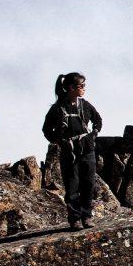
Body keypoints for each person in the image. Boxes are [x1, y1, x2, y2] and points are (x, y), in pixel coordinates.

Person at [42, 72, 102, 230]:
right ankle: (75, 219)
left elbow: (98, 119)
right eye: (81, 86)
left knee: (88, 184)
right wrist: (60, 141)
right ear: (71, 87)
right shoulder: (58, 109)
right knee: (72, 186)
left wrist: (94, 134)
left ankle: (87, 217)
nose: (84, 89)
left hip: (87, 150)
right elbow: (47, 129)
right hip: (69, 153)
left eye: (84, 85)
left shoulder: (85, 105)